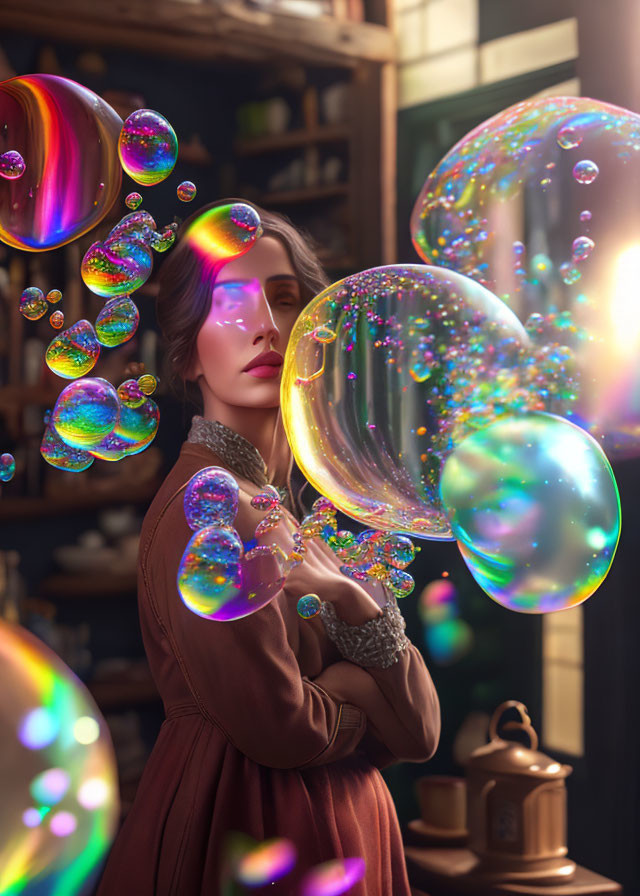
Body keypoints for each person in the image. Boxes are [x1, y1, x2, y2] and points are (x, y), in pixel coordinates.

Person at [96, 201, 441, 896]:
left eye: (285, 301)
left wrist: (348, 600)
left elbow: (423, 734)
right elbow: (281, 730)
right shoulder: (209, 511)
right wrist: (357, 688)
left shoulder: (300, 508)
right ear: (189, 350)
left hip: (342, 836)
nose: (263, 325)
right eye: (230, 303)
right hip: (254, 834)